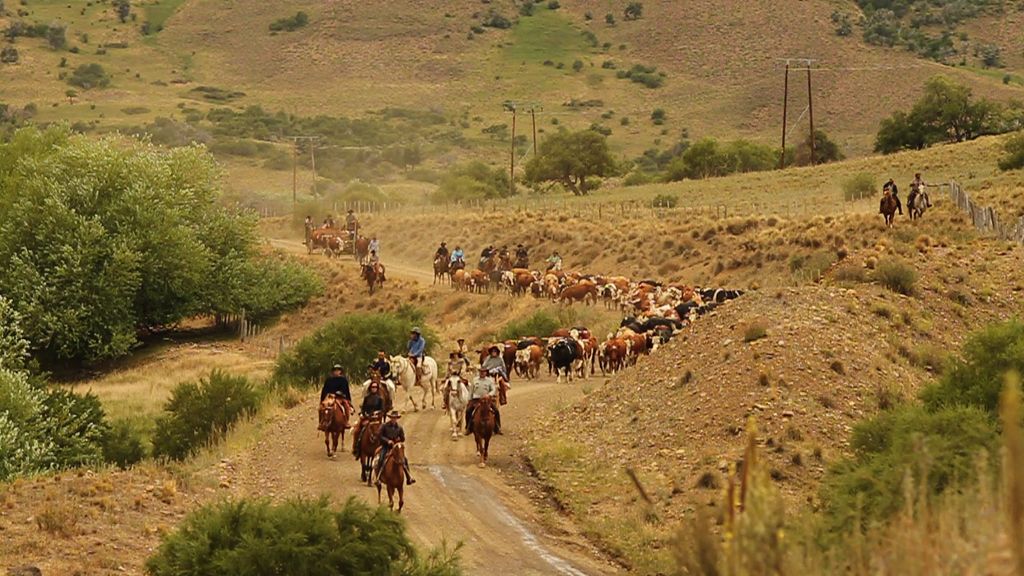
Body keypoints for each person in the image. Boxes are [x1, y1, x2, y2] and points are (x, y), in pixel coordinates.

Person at [375, 410, 415, 486]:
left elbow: (403, 438)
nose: (394, 419)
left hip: (395, 448)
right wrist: (387, 441)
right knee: (381, 458)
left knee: (404, 459)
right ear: (390, 418)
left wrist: (399, 439)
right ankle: (378, 477)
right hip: (386, 446)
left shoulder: (399, 428)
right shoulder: (384, 426)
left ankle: (409, 477)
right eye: (393, 418)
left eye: (395, 418)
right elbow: (379, 436)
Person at [352, 380, 385, 456]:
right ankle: (356, 447)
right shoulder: (367, 398)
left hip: (376, 419)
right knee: (357, 430)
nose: (374, 388)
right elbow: (363, 408)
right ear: (370, 388)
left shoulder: (380, 399)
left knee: (383, 431)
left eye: (375, 387)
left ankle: (382, 448)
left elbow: (382, 410)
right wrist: (364, 414)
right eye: (373, 387)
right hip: (367, 418)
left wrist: (378, 413)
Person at [465, 367, 501, 435]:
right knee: (468, 411)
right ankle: (468, 428)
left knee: (496, 411)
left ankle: (498, 427)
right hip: (476, 399)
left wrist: (488, 395)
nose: (482, 373)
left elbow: (493, 389)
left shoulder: (489, 381)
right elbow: (471, 391)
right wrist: (469, 400)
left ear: (486, 373)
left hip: (486, 400)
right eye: (481, 372)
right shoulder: (474, 380)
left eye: (483, 372)